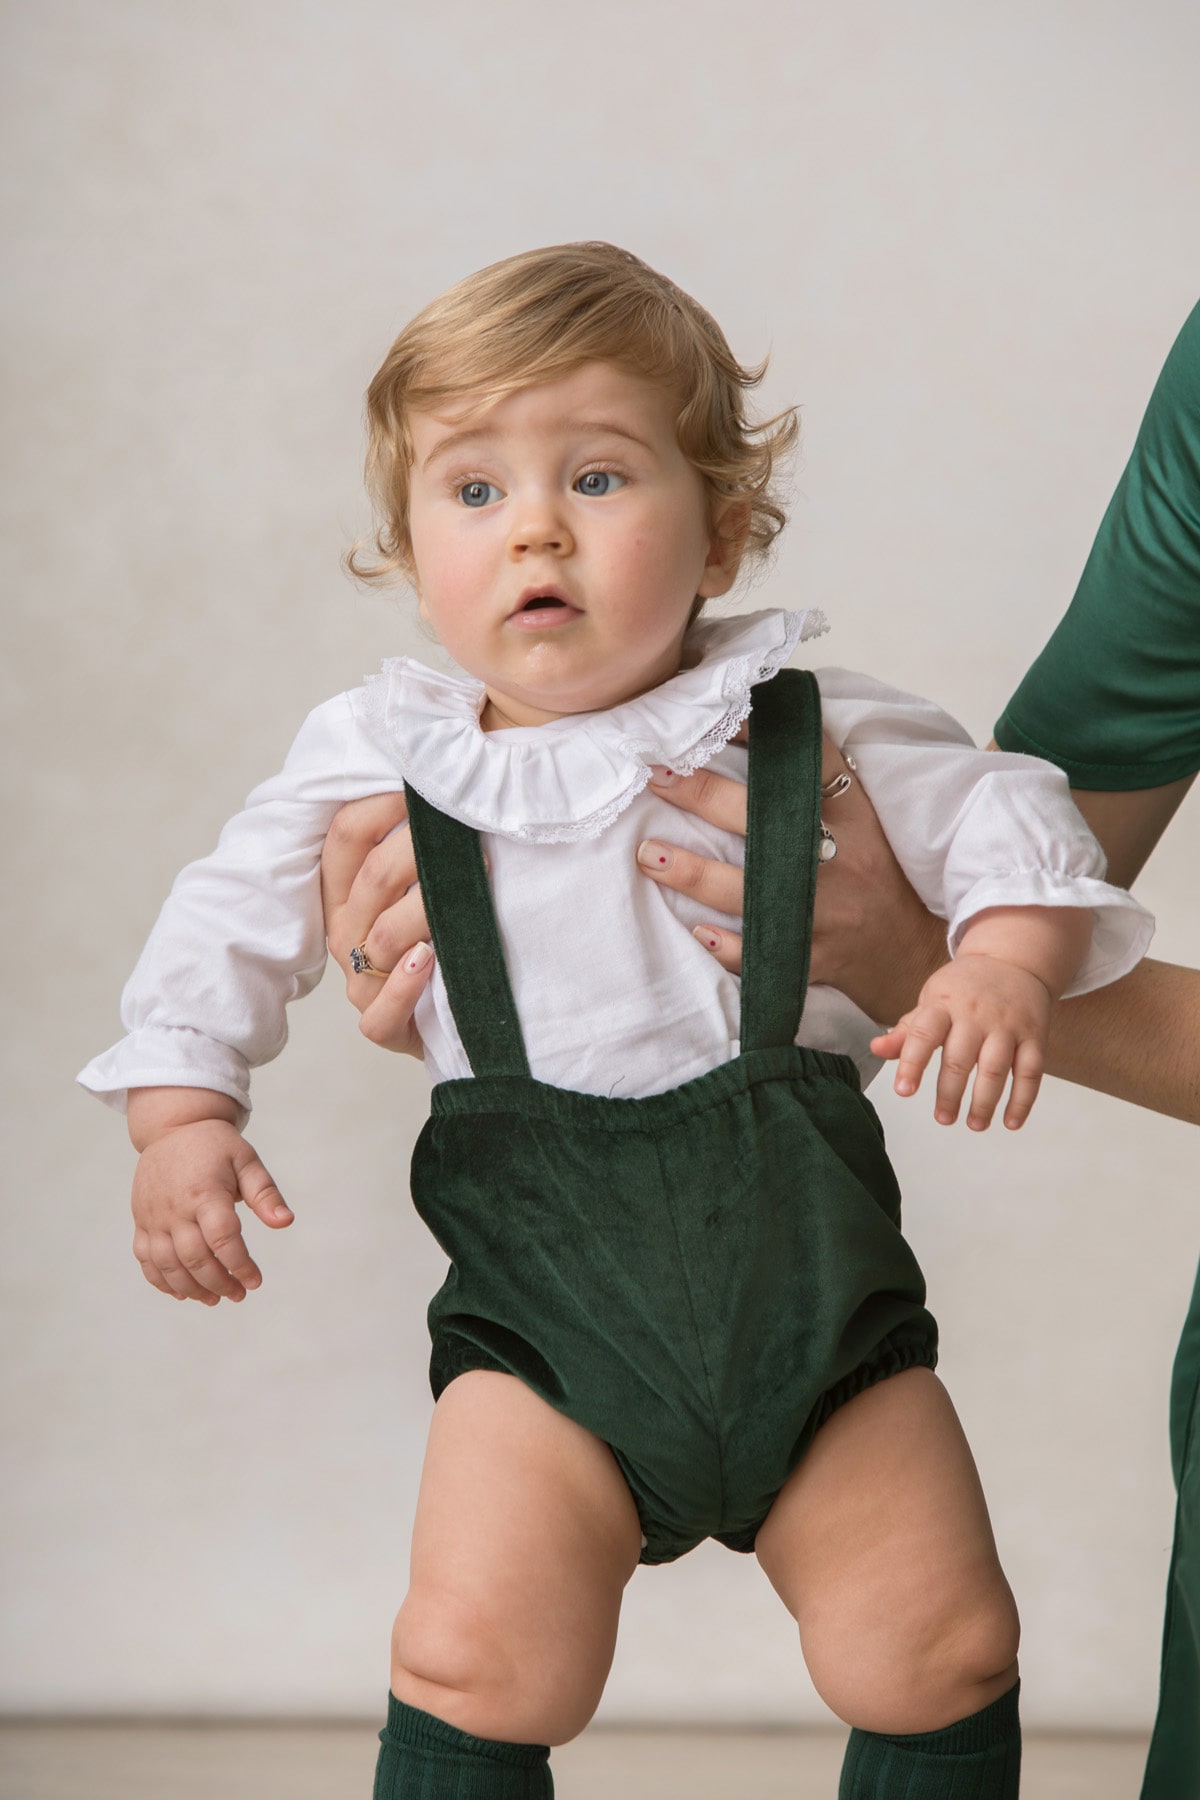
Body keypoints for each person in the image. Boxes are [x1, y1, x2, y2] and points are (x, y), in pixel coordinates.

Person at [79, 243, 1153, 1800]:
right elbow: (222, 926)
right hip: (546, 1337)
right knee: (474, 1655)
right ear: (407, 545)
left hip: (818, 1325)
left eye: (595, 476)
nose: (532, 526)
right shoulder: (381, 756)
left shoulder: (817, 726)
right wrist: (183, 1115)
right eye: (471, 491)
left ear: (722, 532)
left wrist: (997, 969)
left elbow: (1018, 830)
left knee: (940, 1649)